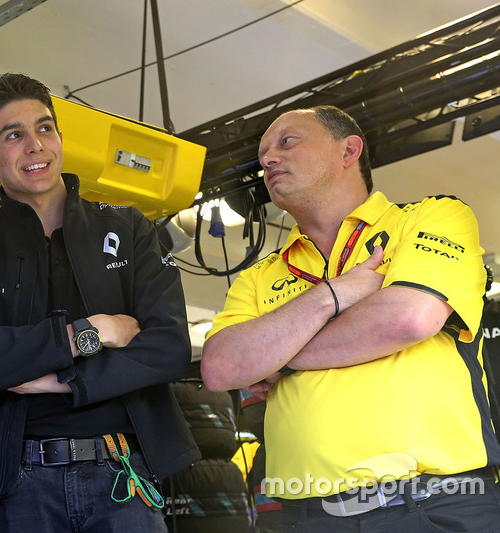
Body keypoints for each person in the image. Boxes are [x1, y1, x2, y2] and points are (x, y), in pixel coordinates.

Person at [201, 105, 500, 531]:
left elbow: (409, 318)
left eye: (287, 142)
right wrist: (334, 295)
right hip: (306, 517)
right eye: (263, 153)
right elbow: (220, 368)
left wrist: (276, 355)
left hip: (436, 503)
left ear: (349, 150)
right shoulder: (257, 276)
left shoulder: (430, 218)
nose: (267, 160)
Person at [0, 73, 200, 531]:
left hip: (126, 476)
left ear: (59, 137)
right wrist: (91, 331)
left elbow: (169, 348)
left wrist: (58, 380)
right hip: (19, 486)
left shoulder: (129, 227)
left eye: (44, 128)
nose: (34, 145)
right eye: (13, 135)